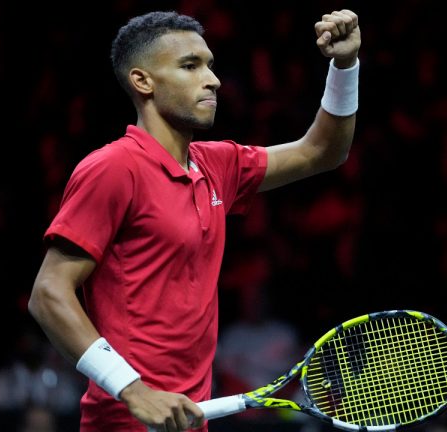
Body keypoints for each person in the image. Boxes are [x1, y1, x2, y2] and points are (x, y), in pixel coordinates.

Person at [28, 8, 361, 432]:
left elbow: (322, 151)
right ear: (142, 81)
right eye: (190, 66)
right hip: (126, 421)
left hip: (187, 420)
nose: (213, 79)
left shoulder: (217, 165)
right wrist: (132, 389)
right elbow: (48, 293)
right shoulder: (114, 168)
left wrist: (345, 64)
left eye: (210, 65)